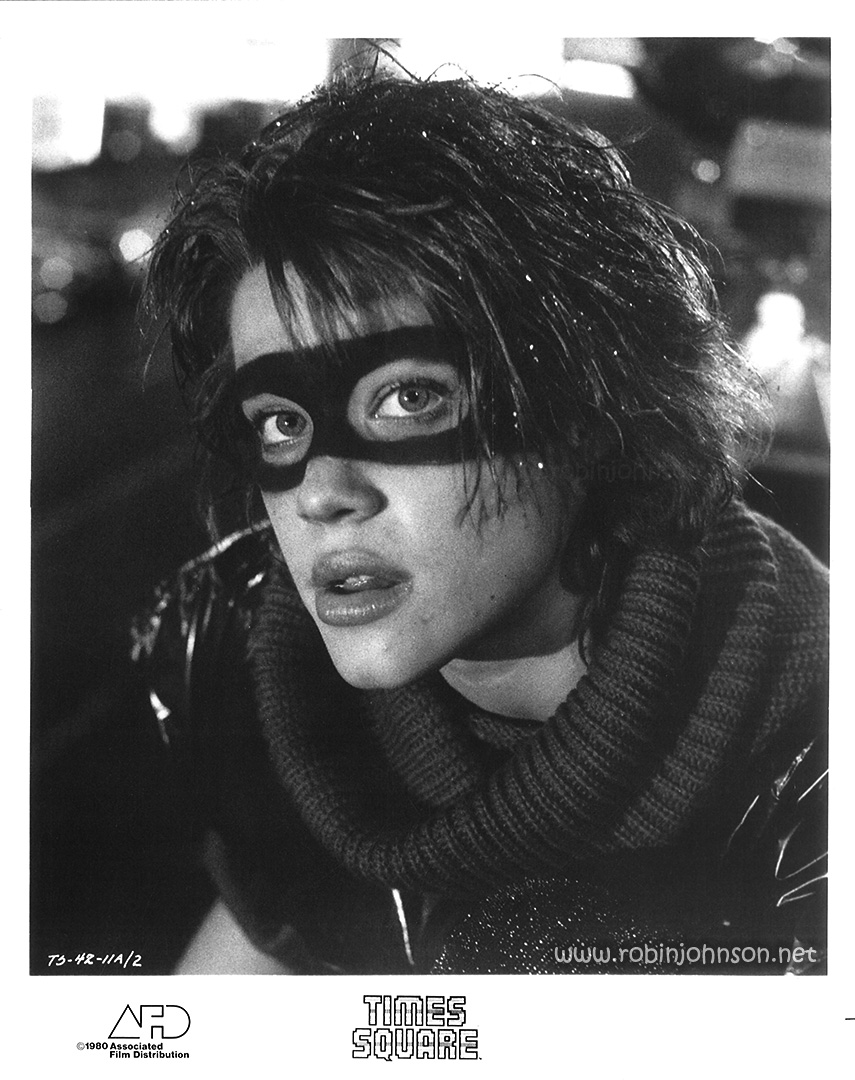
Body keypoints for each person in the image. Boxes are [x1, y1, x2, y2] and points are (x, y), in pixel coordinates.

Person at [136, 73, 828, 975]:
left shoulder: (816, 760)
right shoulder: (248, 662)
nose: (321, 492)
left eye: (407, 398)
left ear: (590, 409)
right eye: (279, 421)